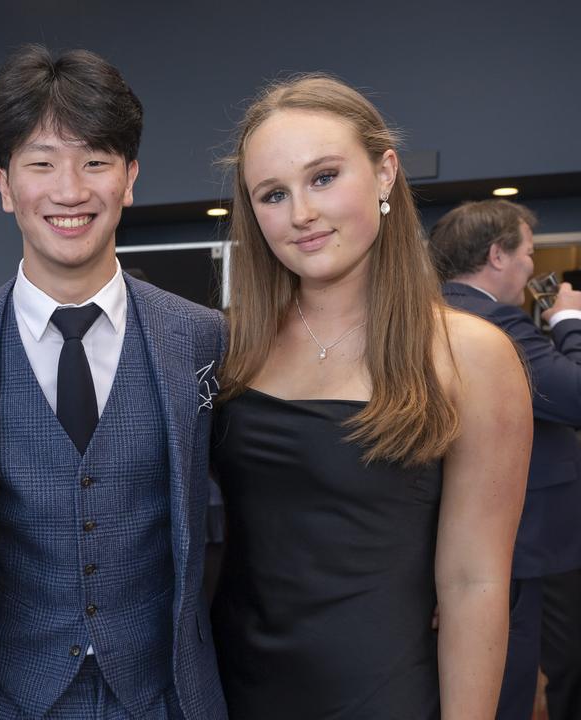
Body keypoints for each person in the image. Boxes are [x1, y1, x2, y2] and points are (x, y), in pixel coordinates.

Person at [0, 46, 227, 719]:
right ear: (4, 183)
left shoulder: (201, 339)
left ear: (130, 178)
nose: (70, 190)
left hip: (161, 698)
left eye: (96, 162)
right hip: (5, 700)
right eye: (41, 163)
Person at [210, 74, 531, 719]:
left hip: (384, 693)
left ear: (386, 172)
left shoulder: (469, 354)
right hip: (231, 688)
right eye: (274, 194)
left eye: (324, 177)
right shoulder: (232, 347)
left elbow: (474, 584)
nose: (301, 212)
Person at [429, 199, 581, 720]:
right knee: (509, 682)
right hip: (521, 541)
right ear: (498, 255)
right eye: (528, 254)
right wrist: (569, 322)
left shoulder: (433, 312)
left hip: (495, 538)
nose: (530, 268)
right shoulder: (492, 324)